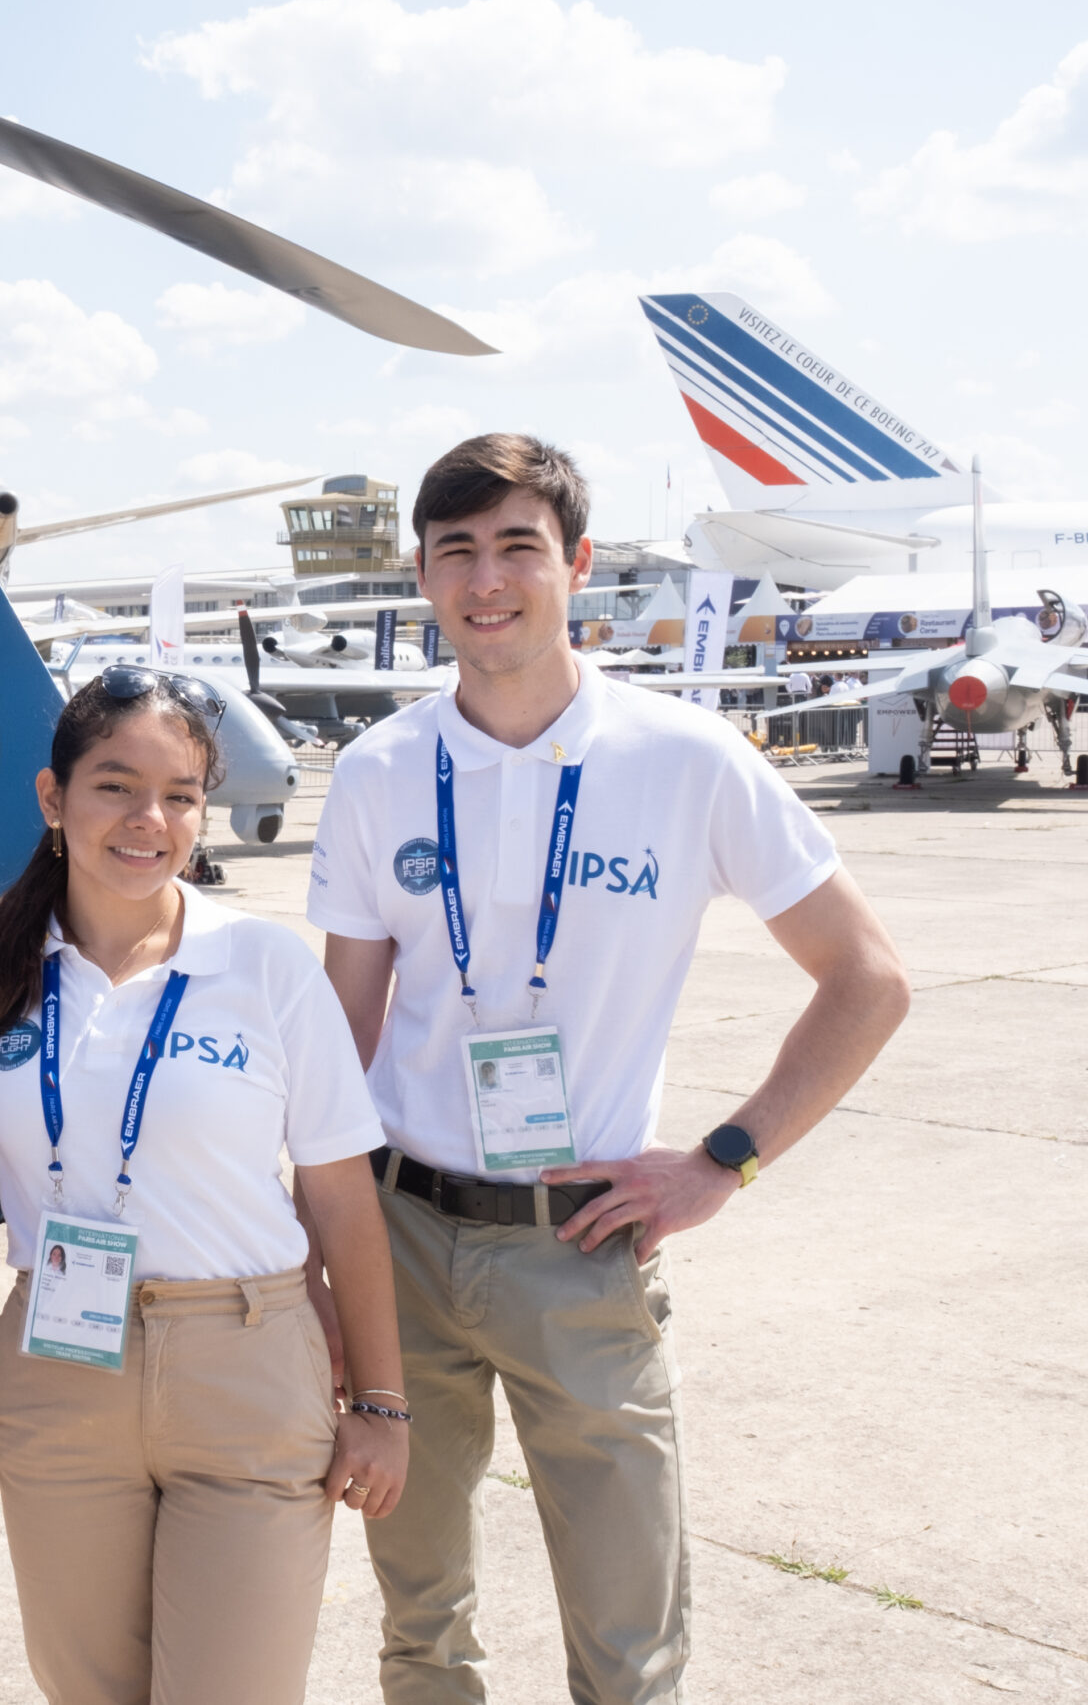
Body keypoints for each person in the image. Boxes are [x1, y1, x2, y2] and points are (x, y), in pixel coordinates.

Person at [308, 435, 911, 1704]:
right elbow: (338, 1038)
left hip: (582, 1243)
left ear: (575, 564)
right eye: (456, 551)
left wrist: (720, 1162)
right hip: (401, 1236)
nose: (488, 578)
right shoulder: (377, 775)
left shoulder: (683, 759)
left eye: (518, 546)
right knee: (420, 1633)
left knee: (629, 1651)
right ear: (420, 577)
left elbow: (867, 978)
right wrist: (316, 1250)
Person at [0, 668, 410, 1705]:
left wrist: (381, 1402)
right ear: (54, 800)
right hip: (56, 1373)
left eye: (181, 794)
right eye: (115, 785)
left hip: (246, 1372)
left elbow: (341, 1199)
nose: (150, 820)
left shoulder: (265, 967)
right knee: (88, 1689)